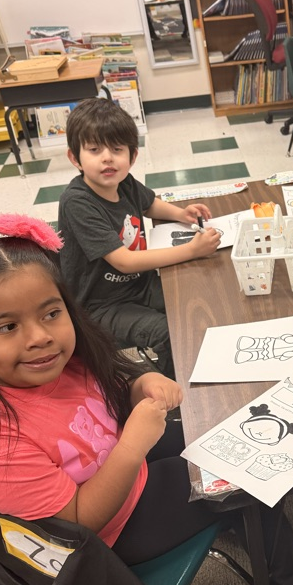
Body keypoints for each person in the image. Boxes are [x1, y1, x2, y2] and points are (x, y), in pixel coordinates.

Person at [0, 215, 293, 585]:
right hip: (104, 542)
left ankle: (237, 523)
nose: (39, 337)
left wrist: (140, 384)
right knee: (246, 472)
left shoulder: (56, 365)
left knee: (223, 436)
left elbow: (102, 398)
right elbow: (78, 526)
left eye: (51, 314)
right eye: (8, 327)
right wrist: (132, 447)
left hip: (121, 475)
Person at [58, 97, 222, 379]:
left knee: (195, 301)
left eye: (117, 150)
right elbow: (123, 261)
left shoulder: (124, 182)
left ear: (132, 157)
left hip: (139, 286)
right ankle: (178, 394)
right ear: (75, 158)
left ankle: (204, 363)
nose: (107, 158)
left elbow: (149, 204)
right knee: (169, 332)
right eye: (94, 150)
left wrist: (182, 214)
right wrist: (193, 250)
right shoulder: (77, 202)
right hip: (100, 308)